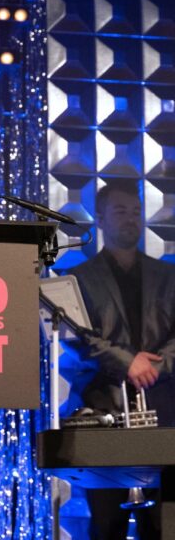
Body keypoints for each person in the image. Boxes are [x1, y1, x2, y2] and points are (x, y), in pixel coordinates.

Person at [69, 179, 175, 539]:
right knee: (106, 525)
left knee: (163, 524)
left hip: (164, 411)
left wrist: (156, 366)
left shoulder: (168, 276)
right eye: (120, 211)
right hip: (104, 412)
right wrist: (127, 362)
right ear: (99, 218)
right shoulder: (78, 279)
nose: (131, 219)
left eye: (136, 212)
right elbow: (80, 338)